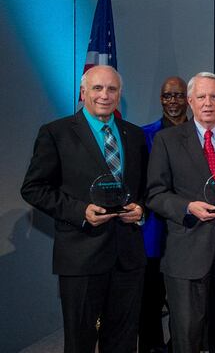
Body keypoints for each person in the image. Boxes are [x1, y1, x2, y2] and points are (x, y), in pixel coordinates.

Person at [20, 65, 147, 353]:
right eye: (97, 88)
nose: (105, 95)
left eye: (112, 89)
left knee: (124, 340)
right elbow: (33, 188)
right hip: (81, 257)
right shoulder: (56, 133)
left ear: (120, 94)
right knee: (80, 341)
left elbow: (146, 189)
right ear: (82, 92)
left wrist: (141, 208)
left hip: (127, 257)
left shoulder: (135, 135)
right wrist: (80, 211)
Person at [147, 72, 215, 353]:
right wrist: (186, 207)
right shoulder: (167, 140)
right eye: (201, 97)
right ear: (190, 101)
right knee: (187, 334)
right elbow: (155, 194)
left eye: (214, 97)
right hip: (187, 252)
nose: (208, 103)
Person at [139, 76, 189, 353]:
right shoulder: (144, 134)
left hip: (191, 227)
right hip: (154, 228)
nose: (173, 101)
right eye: (168, 96)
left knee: (188, 302)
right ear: (161, 99)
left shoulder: (202, 132)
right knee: (151, 297)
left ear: (188, 99)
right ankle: (152, 346)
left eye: (178, 95)